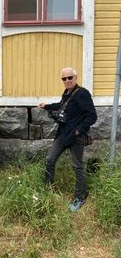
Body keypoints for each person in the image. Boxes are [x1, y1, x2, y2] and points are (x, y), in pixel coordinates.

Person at [38, 67, 97, 211]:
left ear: (76, 78)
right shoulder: (67, 93)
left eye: (70, 77)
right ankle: (48, 189)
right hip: (63, 134)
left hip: (76, 136)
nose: (67, 81)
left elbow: (92, 116)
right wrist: (47, 106)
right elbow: (61, 106)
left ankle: (80, 197)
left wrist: (78, 131)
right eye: (64, 79)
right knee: (50, 160)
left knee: (77, 166)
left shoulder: (83, 93)